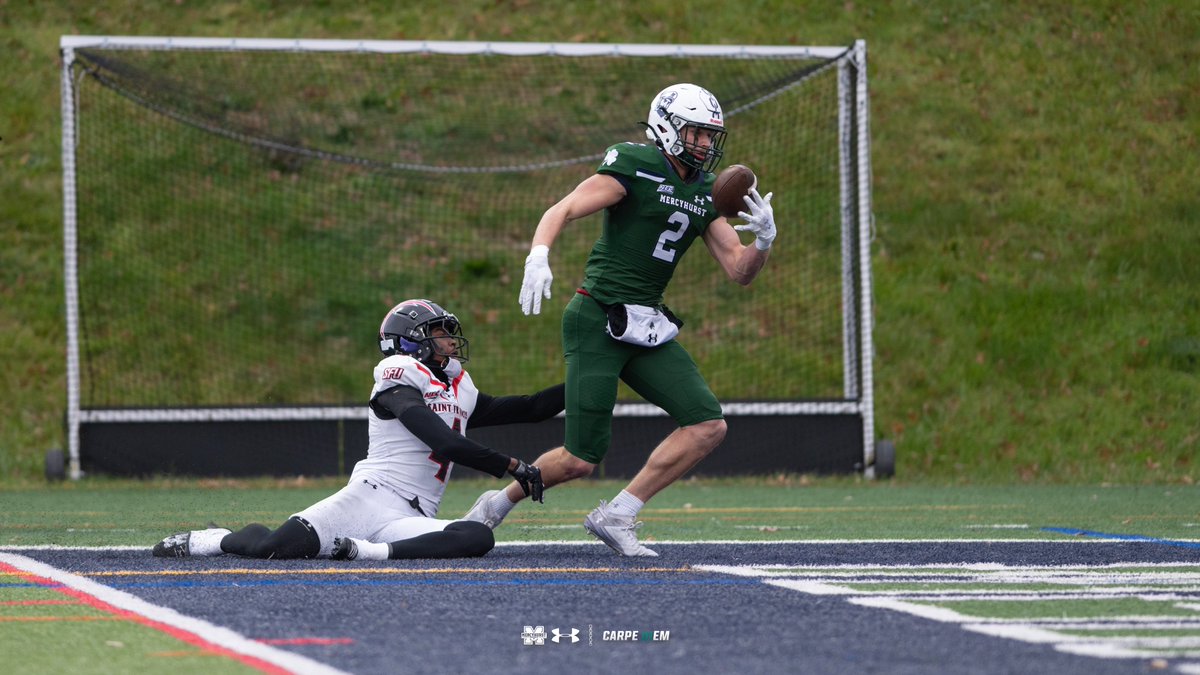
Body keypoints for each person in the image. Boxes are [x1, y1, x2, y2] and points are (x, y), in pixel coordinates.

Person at [464, 83, 777, 557]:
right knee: (579, 460)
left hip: (646, 325)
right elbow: (564, 207)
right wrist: (539, 254)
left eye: (711, 136)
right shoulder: (635, 164)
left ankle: (620, 513)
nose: (706, 146)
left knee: (708, 425)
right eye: (696, 134)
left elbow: (739, 270)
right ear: (667, 127)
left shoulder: (705, 192)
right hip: (598, 318)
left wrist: (765, 242)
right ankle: (498, 502)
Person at [152, 299, 562, 561]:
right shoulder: (396, 380)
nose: (450, 341)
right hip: (368, 497)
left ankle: (369, 551)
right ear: (411, 342)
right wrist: (512, 465)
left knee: (476, 537)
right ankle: (217, 540)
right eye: (439, 332)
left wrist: (593, 377)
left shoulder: (457, 387)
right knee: (276, 548)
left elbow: (533, 407)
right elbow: (443, 441)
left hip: (410, 514)